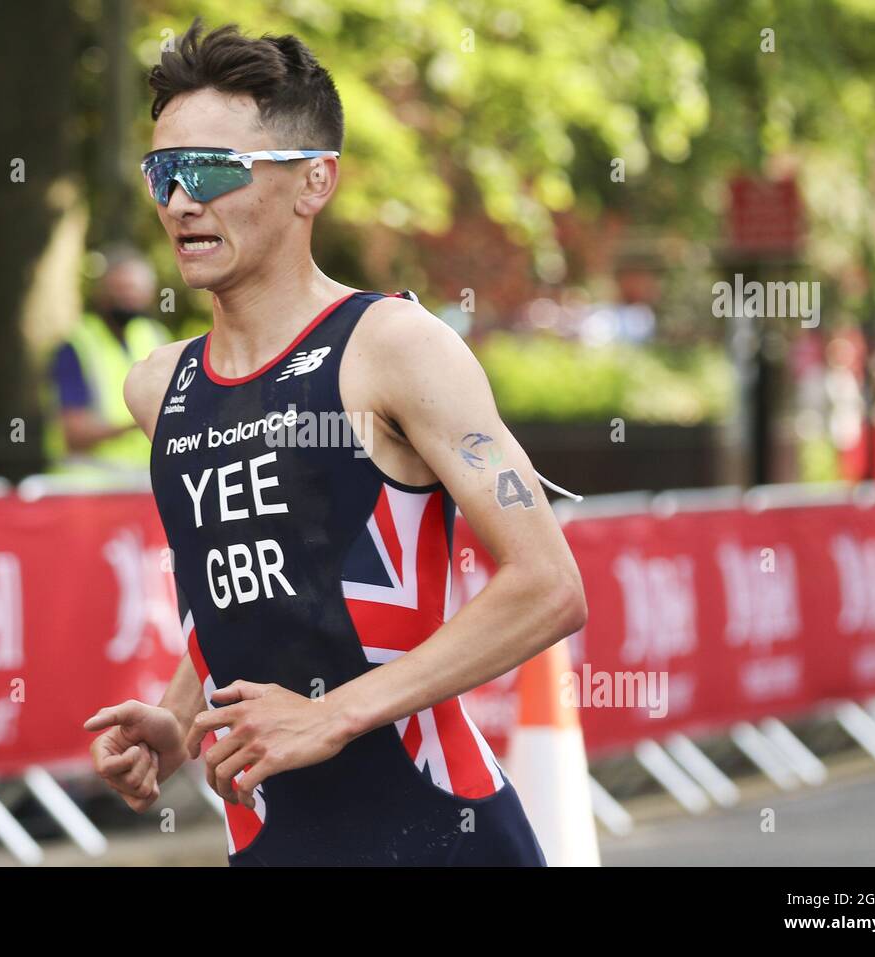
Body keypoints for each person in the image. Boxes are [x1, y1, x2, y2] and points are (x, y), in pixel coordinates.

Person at [83, 21, 587, 866]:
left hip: (437, 833)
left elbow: (549, 587)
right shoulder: (158, 387)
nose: (180, 201)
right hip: (275, 842)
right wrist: (176, 720)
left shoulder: (394, 346)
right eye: (163, 172)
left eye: (212, 168)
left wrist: (332, 712)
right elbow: (243, 588)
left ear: (314, 180)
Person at [42, 248, 170, 477]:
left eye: (136, 291)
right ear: (103, 291)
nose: (129, 299)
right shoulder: (77, 345)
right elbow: (75, 434)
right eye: (121, 290)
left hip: (144, 483)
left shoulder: (156, 338)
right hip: (88, 488)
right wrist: (142, 421)